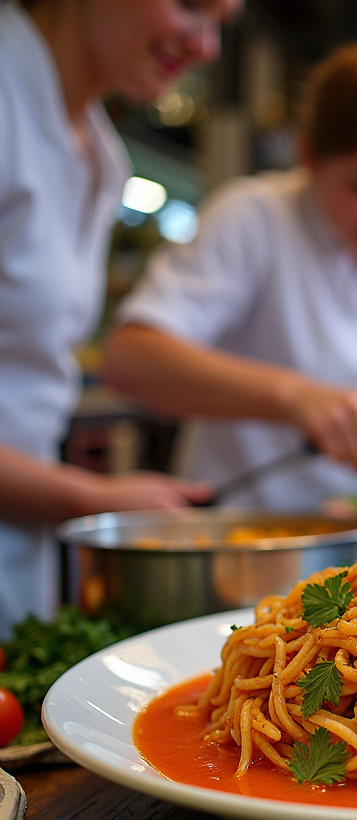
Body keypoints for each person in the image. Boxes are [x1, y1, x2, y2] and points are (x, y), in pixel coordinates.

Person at [103, 42, 357, 511]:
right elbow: (130, 358)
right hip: (240, 531)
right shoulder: (253, 217)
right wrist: (295, 397)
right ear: (310, 156)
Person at [0, 0, 238, 640]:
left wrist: (83, 497)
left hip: (19, 552)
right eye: (192, 6)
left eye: (221, 20)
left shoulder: (100, 153)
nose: (207, 46)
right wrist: (86, 497)